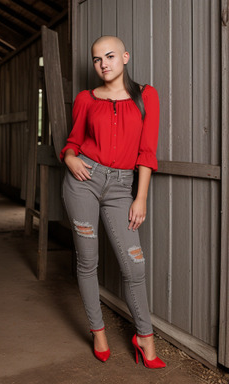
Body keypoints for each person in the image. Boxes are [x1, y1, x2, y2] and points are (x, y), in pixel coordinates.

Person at [60, 35, 165, 369]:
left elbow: (147, 151)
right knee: (87, 261)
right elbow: (73, 141)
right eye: (96, 59)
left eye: (110, 56)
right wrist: (70, 158)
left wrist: (141, 197)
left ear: (125, 57)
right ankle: (98, 330)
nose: (103, 64)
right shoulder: (85, 99)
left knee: (134, 266)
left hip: (123, 187)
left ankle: (144, 336)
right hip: (84, 182)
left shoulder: (146, 95)